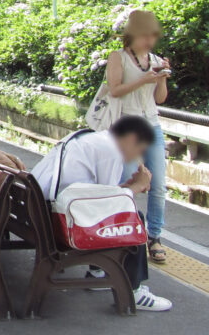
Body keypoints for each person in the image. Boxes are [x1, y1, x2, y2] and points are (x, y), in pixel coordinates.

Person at [30, 116, 172, 312]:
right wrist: (137, 187)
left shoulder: (92, 139)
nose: (138, 156)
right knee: (134, 216)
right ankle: (134, 290)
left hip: (39, 212)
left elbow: (101, 193)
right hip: (58, 223)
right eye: (140, 149)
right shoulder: (111, 151)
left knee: (123, 211)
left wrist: (127, 187)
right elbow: (112, 206)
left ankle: (98, 272)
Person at [105, 10, 170, 264]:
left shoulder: (153, 59)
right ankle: (124, 231)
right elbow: (115, 90)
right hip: (128, 126)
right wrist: (144, 79)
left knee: (158, 184)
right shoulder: (117, 57)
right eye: (145, 35)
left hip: (152, 125)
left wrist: (161, 78)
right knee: (128, 181)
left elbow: (160, 98)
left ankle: (154, 235)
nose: (149, 41)